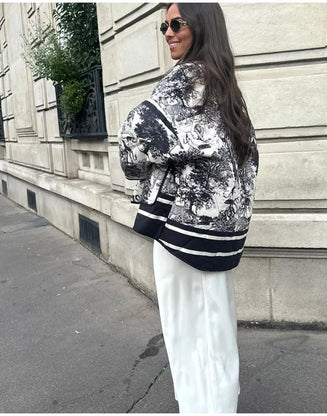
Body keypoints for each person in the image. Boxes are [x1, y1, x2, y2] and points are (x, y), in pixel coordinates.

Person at [119, 3, 259, 413]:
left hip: (182, 232)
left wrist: (143, 170)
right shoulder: (224, 84)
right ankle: (220, 405)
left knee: (187, 329)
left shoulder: (185, 80)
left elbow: (133, 141)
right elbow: (247, 156)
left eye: (177, 23)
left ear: (200, 24)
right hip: (219, 231)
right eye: (164, 25)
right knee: (215, 326)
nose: (169, 32)